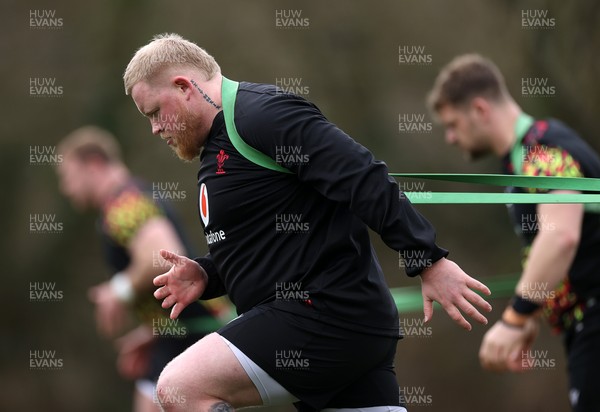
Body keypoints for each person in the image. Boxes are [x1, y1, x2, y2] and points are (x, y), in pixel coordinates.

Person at [123, 33, 492, 412]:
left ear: (184, 86)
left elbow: (361, 176)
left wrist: (427, 259)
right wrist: (207, 275)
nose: (155, 128)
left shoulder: (262, 115)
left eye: (154, 112)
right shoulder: (217, 147)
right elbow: (268, 241)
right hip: (339, 327)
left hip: (323, 315)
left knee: (179, 387)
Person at [427, 53, 600, 412]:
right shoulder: (522, 157)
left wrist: (515, 317)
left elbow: (560, 236)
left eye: (453, 124)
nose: (449, 138)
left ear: (479, 109)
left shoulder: (544, 149)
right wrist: (534, 313)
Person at [57, 126, 230, 412]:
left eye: (68, 176)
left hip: (194, 332)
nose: (65, 188)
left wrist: (118, 291)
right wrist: (153, 331)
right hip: (180, 333)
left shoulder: (124, 203)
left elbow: (160, 257)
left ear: (94, 164)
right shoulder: (128, 199)